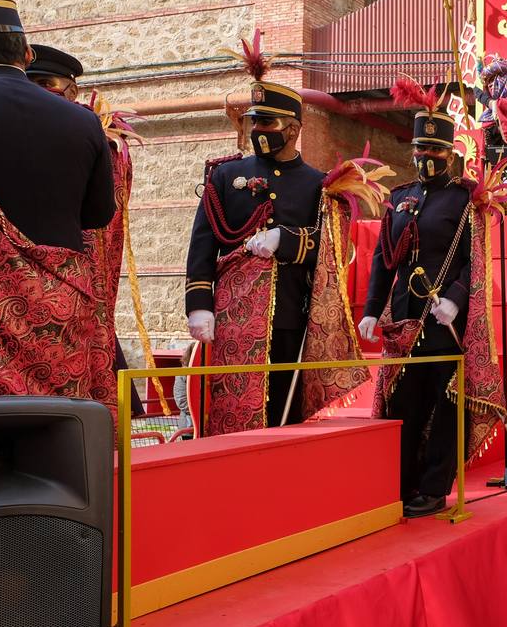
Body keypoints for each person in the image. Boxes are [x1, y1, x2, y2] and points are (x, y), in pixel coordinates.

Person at [0, 0, 116, 400]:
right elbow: (99, 213)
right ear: (27, 53)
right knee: (55, 421)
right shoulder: (84, 121)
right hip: (57, 305)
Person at [184, 57, 326, 434]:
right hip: (232, 316)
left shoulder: (316, 184)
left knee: (283, 415)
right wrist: (199, 306)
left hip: (288, 318)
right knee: (230, 408)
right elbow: (203, 243)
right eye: (253, 120)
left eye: (267, 122)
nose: (257, 129)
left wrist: (287, 240)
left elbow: (329, 252)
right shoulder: (227, 175)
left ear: (293, 129)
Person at [359, 92, 472, 518]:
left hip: (444, 320)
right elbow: (383, 257)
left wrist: (457, 301)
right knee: (403, 404)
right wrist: (372, 308)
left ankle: (433, 486)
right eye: (420, 149)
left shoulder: (464, 200)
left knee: (444, 405)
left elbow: (474, 261)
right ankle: (399, 483)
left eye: (434, 150)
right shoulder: (400, 196)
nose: (425, 156)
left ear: (449, 154)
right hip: (406, 319)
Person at [26, 43, 143, 415]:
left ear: (72, 91)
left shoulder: (96, 137)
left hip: (79, 271)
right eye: (31, 82)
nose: (38, 91)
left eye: (46, 82)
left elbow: (104, 210)